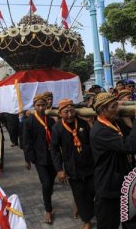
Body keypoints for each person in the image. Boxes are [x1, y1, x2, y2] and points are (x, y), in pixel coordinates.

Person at [90, 92, 136, 229]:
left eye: (117, 105)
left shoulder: (114, 122)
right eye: (113, 107)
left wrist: (130, 119)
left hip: (125, 183)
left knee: (133, 224)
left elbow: (134, 137)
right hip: (109, 187)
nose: (117, 109)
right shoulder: (99, 131)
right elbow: (129, 146)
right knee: (108, 225)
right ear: (102, 110)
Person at [50, 99, 94, 229]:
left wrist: (90, 123)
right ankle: (87, 220)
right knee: (79, 194)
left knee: (92, 191)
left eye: (71, 111)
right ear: (60, 113)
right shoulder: (57, 128)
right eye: (66, 112)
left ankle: (83, 208)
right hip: (72, 168)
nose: (69, 115)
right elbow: (54, 149)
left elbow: (92, 140)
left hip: (89, 164)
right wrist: (59, 169)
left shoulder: (83, 123)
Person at [23, 93, 56, 224]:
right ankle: (48, 209)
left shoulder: (51, 120)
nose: (41, 108)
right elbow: (27, 142)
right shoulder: (29, 121)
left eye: (43, 105)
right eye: (38, 105)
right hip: (39, 157)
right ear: (34, 106)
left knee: (51, 183)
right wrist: (28, 159)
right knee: (46, 183)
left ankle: (48, 197)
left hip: (52, 157)